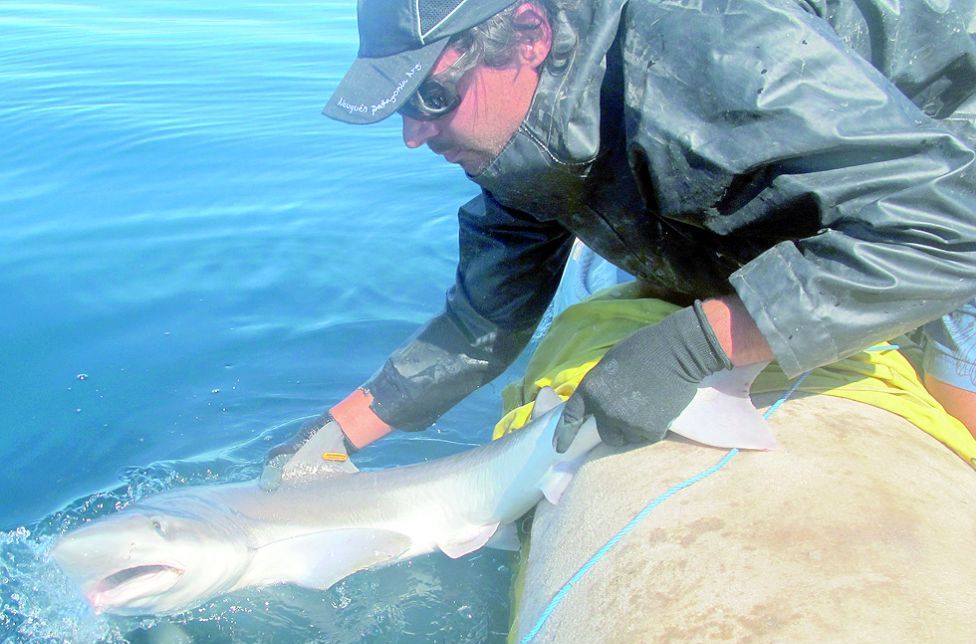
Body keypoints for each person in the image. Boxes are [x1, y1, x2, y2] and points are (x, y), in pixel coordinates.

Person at [262, 0, 976, 488]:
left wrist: (695, 346)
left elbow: (949, 229)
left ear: (530, 37)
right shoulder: (512, 136)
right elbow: (484, 321)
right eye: (401, 107)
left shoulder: (716, 55)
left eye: (431, 98)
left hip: (947, 149)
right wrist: (331, 440)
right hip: (819, 157)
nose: (414, 134)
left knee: (955, 396)